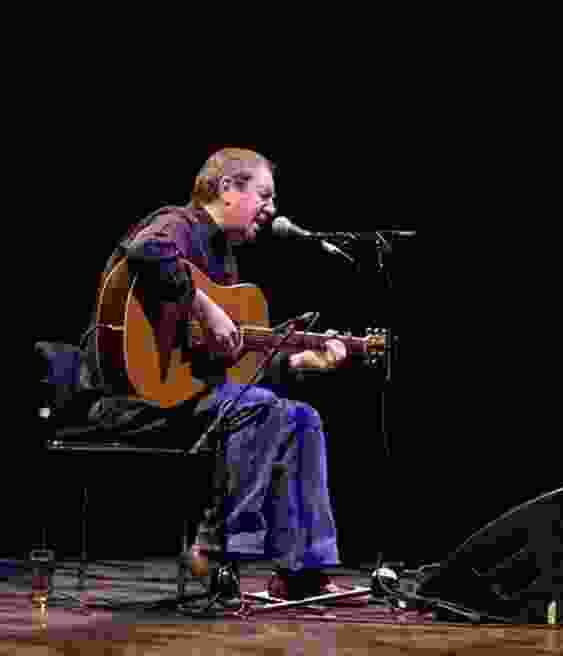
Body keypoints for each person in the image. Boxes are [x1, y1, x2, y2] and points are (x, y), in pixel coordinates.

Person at [40, 147, 357, 605]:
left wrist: (298, 362)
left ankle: (304, 571)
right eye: (263, 195)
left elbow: (227, 370)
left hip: (182, 400)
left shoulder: (223, 261)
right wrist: (205, 309)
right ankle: (215, 546)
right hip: (124, 401)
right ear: (227, 189)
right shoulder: (179, 225)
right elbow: (148, 252)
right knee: (260, 409)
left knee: (301, 416)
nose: (271, 210)